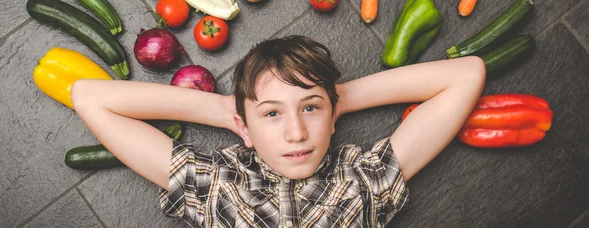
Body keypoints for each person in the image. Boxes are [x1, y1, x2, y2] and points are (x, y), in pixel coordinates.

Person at [72, 35, 486, 227]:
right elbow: (89, 97)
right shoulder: (215, 184)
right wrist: (230, 112)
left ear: (332, 115)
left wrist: (336, 97)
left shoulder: (364, 179)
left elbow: (467, 74)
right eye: (272, 115)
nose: (296, 133)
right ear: (244, 127)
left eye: (310, 109)